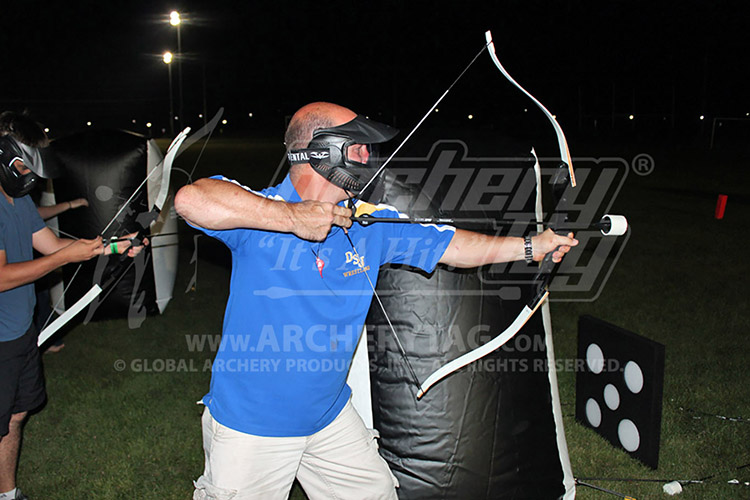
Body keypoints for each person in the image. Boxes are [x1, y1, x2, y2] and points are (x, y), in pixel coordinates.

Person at [175, 101, 577, 500]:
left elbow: (452, 246)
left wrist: (531, 247)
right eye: (359, 146)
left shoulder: (369, 220)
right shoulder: (260, 213)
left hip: (327, 417)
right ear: (323, 151)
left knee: (377, 492)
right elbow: (191, 199)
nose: (369, 156)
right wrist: (291, 218)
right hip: (251, 427)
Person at [0, 111, 143, 500]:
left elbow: (51, 245)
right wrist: (63, 259)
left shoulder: (19, 200)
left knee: (16, 414)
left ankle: (7, 494)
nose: (29, 174)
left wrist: (116, 246)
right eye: (23, 163)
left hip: (20, 331)